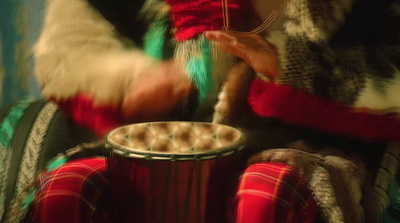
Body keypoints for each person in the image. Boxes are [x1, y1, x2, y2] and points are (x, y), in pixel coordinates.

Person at [10, 0, 400, 222]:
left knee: (267, 199)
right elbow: (67, 49)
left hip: (297, 146)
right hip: (153, 143)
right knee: (69, 192)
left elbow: (391, 78)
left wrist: (290, 66)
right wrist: (128, 84)